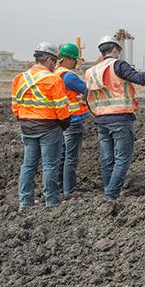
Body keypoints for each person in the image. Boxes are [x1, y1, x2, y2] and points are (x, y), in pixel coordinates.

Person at [85, 35, 145, 202]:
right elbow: (141, 79)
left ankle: (108, 192)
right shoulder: (118, 64)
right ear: (115, 49)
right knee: (122, 158)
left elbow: (87, 96)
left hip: (101, 119)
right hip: (120, 118)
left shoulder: (91, 71)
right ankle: (111, 195)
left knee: (107, 159)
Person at [11, 42, 71, 209]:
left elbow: (15, 105)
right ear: (50, 60)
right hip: (48, 127)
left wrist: (24, 119)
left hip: (27, 127)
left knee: (28, 165)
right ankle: (51, 202)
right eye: (55, 62)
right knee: (50, 165)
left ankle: (25, 202)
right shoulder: (53, 80)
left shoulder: (20, 78)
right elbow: (61, 108)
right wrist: (64, 123)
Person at [54, 43, 90, 198]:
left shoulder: (55, 74)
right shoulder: (68, 76)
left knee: (61, 156)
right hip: (73, 121)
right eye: (75, 59)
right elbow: (87, 89)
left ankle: (60, 188)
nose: (76, 63)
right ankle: (70, 190)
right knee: (71, 157)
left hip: (61, 120)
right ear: (67, 59)